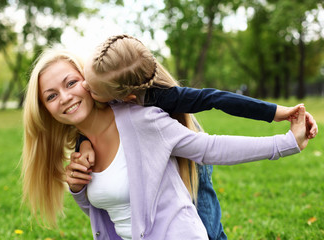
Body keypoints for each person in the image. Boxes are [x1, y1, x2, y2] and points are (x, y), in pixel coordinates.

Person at [21, 48, 309, 240]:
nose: (65, 97)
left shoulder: (140, 119)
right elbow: (108, 213)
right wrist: (78, 189)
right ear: (44, 109)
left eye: (70, 83)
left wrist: (286, 142)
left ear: (89, 82)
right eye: (51, 95)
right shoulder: (82, 151)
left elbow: (211, 148)